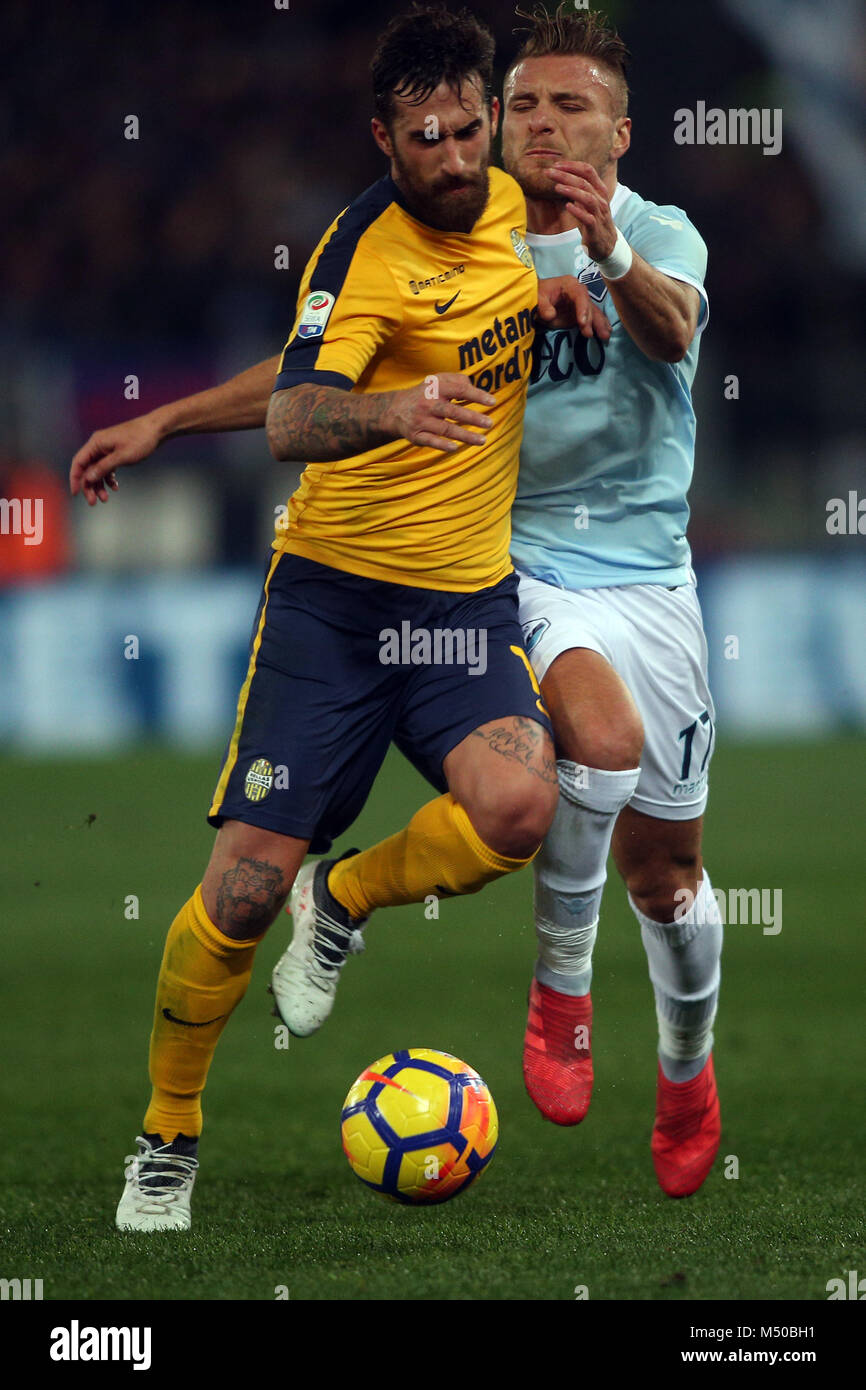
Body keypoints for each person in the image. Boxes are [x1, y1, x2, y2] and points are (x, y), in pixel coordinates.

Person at [74, 5, 605, 1233]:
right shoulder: (361, 245)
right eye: (426, 137)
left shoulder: (533, 210)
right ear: (383, 136)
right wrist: (396, 410)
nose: (457, 155)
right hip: (333, 606)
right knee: (245, 890)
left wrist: (577, 293)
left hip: (462, 603)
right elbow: (299, 411)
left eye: (471, 127)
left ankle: (350, 896)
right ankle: (168, 1133)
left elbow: (551, 279)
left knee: (522, 805)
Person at [502, 5, 721, 1199]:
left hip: (650, 578)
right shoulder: (468, 241)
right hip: (522, 564)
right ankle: (560, 994)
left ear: (618, 132)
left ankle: (686, 1072)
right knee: (593, 743)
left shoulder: (658, 231)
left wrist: (608, 256)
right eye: (523, 105)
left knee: (669, 876)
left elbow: (674, 325)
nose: (543, 125)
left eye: (569, 105)